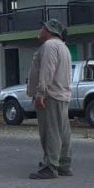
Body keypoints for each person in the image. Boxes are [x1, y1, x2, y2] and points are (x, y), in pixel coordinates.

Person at [26, 19, 73, 179]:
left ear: (50, 30)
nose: (41, 30)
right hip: (61, 94)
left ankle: (50, 166)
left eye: (43, 27)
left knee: (50, 132)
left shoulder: (49, 46)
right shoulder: (63, 47)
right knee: (62, 132)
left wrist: (40, 94)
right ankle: (64, 165)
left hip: (50, 96)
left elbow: (47, 71)